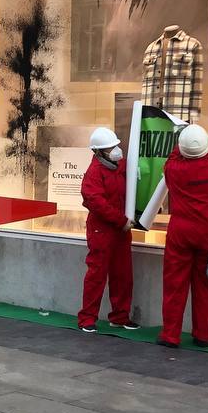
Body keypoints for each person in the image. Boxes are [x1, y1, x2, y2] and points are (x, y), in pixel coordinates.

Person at [158, 124, 208, 348]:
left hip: (180, 230)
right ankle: (203, 334)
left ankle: (170, 334)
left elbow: (172, 157)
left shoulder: (174, 169)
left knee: (174, 284)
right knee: (206, 286)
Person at [78, 126, 139, 332]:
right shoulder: (93, 174)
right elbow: (97, 203)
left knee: (123, 274)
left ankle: (120, 316)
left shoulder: (121, 166)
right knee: (97, 275)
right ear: (98, 152)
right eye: (109, 147)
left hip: (121, 229)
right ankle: (87, 318)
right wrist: (121, 220)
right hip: (102, 231)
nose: (115, 150)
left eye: (115, 146)